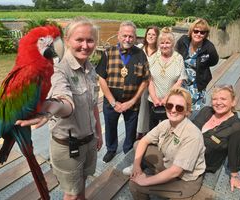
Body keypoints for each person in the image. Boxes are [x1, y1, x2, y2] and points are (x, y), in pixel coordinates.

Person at [16, 17, 103, 200]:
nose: (85, 45)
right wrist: (50, 109)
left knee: (82, 186)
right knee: (71, 194)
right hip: (68, 148)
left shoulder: (90, 68)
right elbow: (65, 102)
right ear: (67, 40)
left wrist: (98, 133)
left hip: (89, 142)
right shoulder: (58, 70)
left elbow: (93, 105)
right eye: (79, 40)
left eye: (90, 40)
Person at [128, 87, 206, 199]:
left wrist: (145, 181)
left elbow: (175, 171)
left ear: (187, 111)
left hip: (184, 180)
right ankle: (152, 172)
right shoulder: (166, 124)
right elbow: (144, 141)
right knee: (138, 144)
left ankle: (154, 176)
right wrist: (136, 166)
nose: (173, 110)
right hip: (169, 164)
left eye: (179, 107)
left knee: (135, 185)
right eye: (169, 105)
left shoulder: (193, 135)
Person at [96, 21, 150, 163]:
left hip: (132, 103)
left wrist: (132, 101)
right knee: (110, 125)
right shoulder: (108, 53)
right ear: (119, 36)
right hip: (111, 102)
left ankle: (128, 151)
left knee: (131, 129)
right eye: (124, 35)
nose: (127, 39)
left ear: (135, 37)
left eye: (131, 36)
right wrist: (113, 102)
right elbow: (101, 78)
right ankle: (111, 149)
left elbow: (145, 80)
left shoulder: (140, 55)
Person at [192, 84, 240, 192]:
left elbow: (235, 152)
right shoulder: (206, 111)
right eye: (214, 99)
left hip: (200, 163)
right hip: (182, 150)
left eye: (223, 99)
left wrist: (234, 176)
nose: (218, 102)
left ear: (233, 102)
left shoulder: (237, 128)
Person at [175, 18, 219, 118]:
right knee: (179, 108)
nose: (198, 34)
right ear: (191, 31)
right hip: (182, 82)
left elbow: (214, 61)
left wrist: (203, 65)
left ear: (205, 34)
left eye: (202, 32)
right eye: (196, 31)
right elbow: (176, 55)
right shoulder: (183, 41)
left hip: (197, 85)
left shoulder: (208, 47)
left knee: (194, 114)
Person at [148, 27, 187, 130]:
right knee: (153, 129)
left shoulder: (178, 58)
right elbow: (149, 80)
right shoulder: (152, 58)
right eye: (162, 43)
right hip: (153, 101)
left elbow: (180, 80)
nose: (164, 45)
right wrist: (154, 98)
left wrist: (167, 98)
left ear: (173, 44)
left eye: (167, 43)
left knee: (170, 128)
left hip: (171, 102)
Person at [136, 25, 160, 139]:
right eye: (149, 34)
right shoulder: (140, 48)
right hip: (138, 83)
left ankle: (145, 131)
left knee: (146, 109)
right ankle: (138, 130)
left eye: (154, 34)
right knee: (137, 108)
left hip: (152, 83)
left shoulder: (159, 52)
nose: (151, 36)